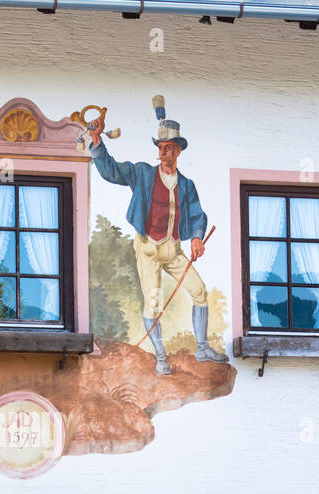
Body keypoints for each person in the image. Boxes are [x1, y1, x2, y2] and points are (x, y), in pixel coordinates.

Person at [88, 97, 227, 375]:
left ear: (177, 151)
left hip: (173, 250)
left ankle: (202, 348)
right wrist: (96, 142)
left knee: (199, 292)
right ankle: (161, 358)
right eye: (161, 148)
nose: (163, 153)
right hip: (149, 249)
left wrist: (197, 238)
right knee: (153, 303)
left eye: (168, 149)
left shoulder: (187, 186)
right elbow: (112, 171)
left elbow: (198, 215)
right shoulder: (142, 174)